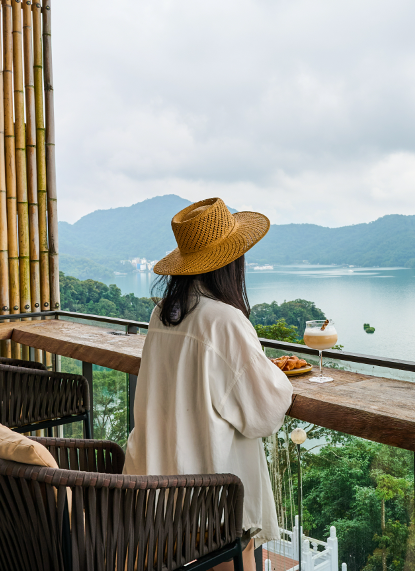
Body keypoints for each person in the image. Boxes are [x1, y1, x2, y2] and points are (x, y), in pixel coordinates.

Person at [124, 198, 294, 571]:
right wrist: (275, 373)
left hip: (156, 487)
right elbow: (264, 413)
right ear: (232, 261)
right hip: (210, 501)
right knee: (239, 555)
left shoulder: (163, 313)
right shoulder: (224, 320)